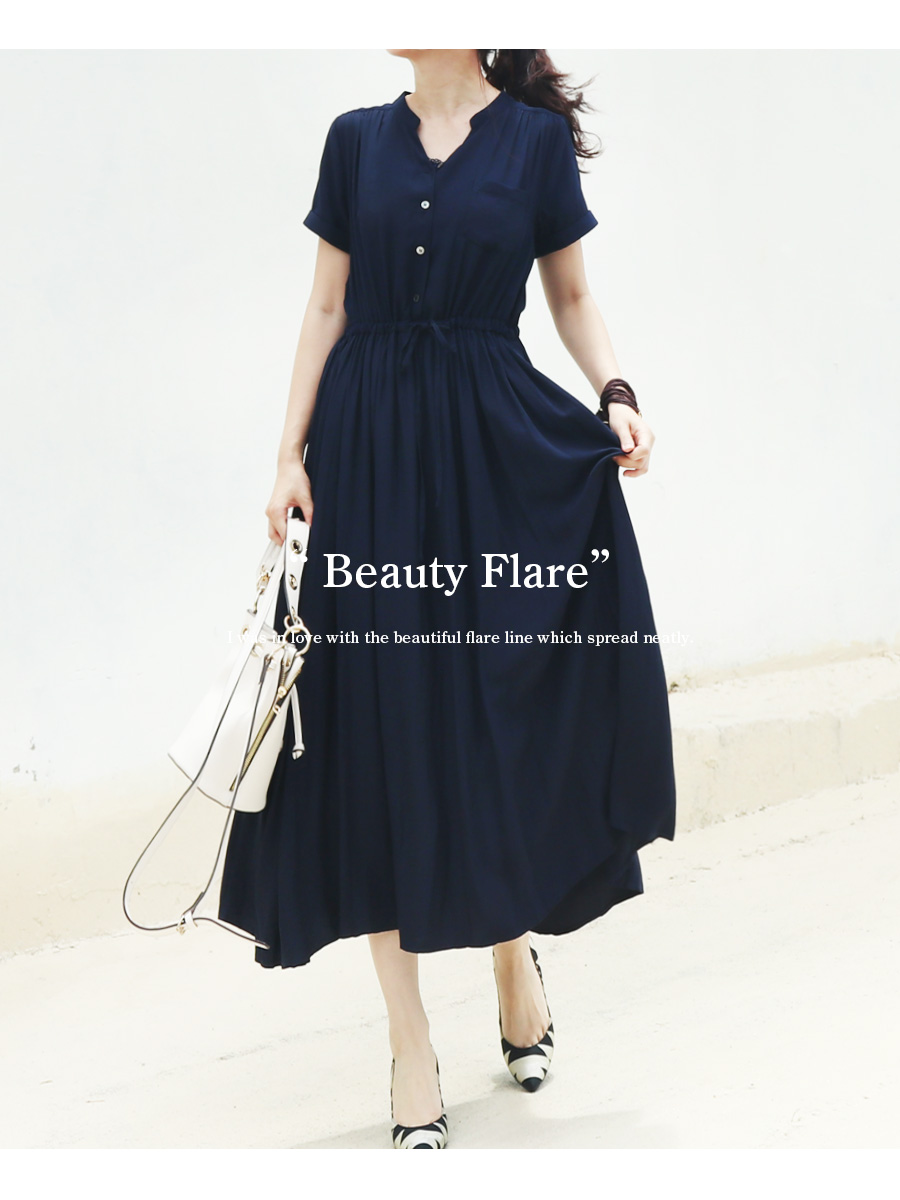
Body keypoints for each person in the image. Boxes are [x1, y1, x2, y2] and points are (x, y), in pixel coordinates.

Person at [217, 48, 677, 1150]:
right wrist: (287, 455)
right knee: (378, 731)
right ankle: (410, 1041)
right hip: (367, 453)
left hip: (490, 452)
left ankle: (513, 952)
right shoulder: (353, 140)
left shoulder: (532, 142)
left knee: (492, 717)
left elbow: (570, 293)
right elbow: (326, 305)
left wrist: (614, 394)